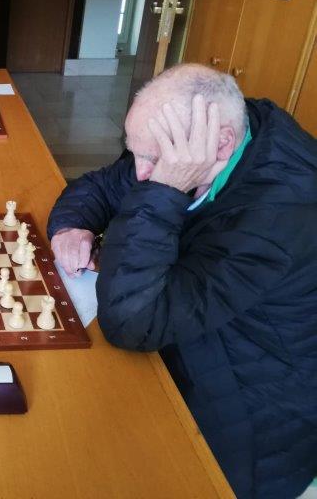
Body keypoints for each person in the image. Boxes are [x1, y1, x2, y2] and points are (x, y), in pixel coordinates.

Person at [47, 64, 317, 498]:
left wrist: (165, 190)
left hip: (255, 415)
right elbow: (103, 185)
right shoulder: (197, 139)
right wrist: (71, 226)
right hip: (191, 338)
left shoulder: (277, 216)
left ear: (221, 143)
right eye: (135, 152)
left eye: (153, 160)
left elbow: (131, 323)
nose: (140, 173)